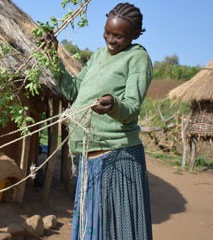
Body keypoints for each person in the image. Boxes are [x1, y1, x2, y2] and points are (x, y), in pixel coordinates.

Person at [49, 2, 153, 240]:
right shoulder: (98, 56)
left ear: (135, 34)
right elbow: (73, 90)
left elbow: (131, 107)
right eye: (107, 32)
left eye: (118, 36)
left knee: (115, 230)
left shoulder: (137, 58)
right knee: (94, 230)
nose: (110, 39)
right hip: (90, 161)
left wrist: (113, 105)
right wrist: (52, 55)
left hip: (117, 158)